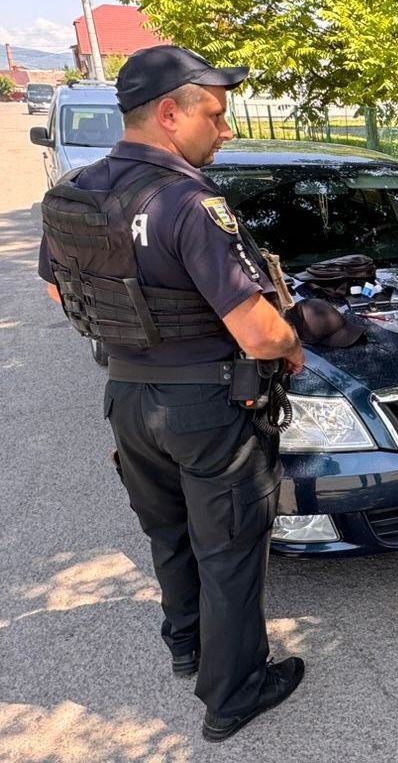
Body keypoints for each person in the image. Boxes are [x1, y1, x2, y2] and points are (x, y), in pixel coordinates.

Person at [37, 45, 307, 742]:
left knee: (168, 533)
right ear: (168, 113)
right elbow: (257, 330)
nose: (225, 129)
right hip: (207, 407)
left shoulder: (77, 191)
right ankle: (234, 692)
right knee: (229, 548)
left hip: (128, 398)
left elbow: (55, 287)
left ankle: (186, 644)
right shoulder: (189, 200)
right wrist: (293, 343)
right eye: (214, 115)